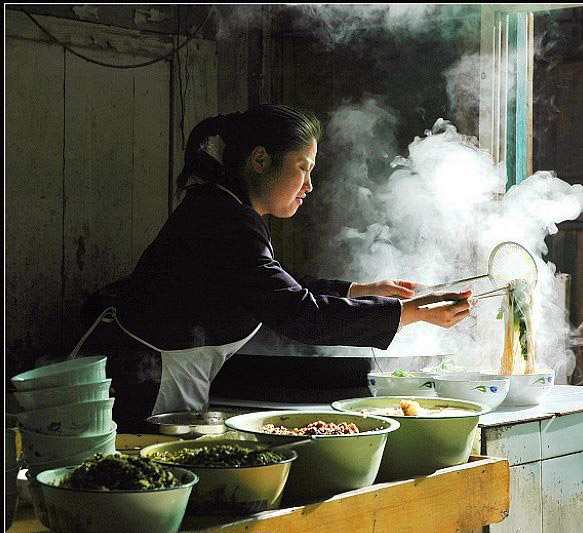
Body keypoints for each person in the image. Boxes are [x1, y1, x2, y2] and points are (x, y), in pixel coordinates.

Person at [79, 104, 472, 433]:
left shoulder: (227, 209)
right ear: (260, 159)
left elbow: (273, 283)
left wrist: (358, 290)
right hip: (141, 388)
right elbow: (295, 311)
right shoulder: (225, 221)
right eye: (303, 168)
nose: (309, 186)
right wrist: (409, 313)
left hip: (162, 383)